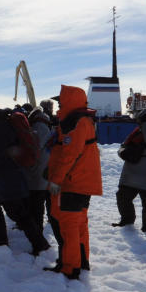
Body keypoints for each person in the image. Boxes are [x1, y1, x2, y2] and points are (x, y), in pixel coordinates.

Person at [0, 102, 49, 253]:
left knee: (19, 214)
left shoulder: (1, 127)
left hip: (8, 177)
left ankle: (40, 245)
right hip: (0, 176)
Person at [45, 85, 101, 278]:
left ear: (70, 101)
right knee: (78, 225)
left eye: (61, 101)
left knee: (68, 226)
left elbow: (70, 155)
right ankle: (81, 262)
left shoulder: (76, 123)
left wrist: (56, 180)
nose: (59, 104)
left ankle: (70, 267)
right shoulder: (81, 121)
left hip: (71, 184)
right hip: (80, 183)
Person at [113, 108, 146, 234]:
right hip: (132, 172)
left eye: (143, 119)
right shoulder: (138, 131)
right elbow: (123, 146)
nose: (139, 121)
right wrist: (124, 153)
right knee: (122, 196)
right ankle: (127, 220)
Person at [25, 104, 54, 239]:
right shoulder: (42, 125)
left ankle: (38, 235)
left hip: (39, 172)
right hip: (42, 171)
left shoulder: (39, 127)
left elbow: (35, 148)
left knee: (37, 205)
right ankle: (38, 230)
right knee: (39, 202)